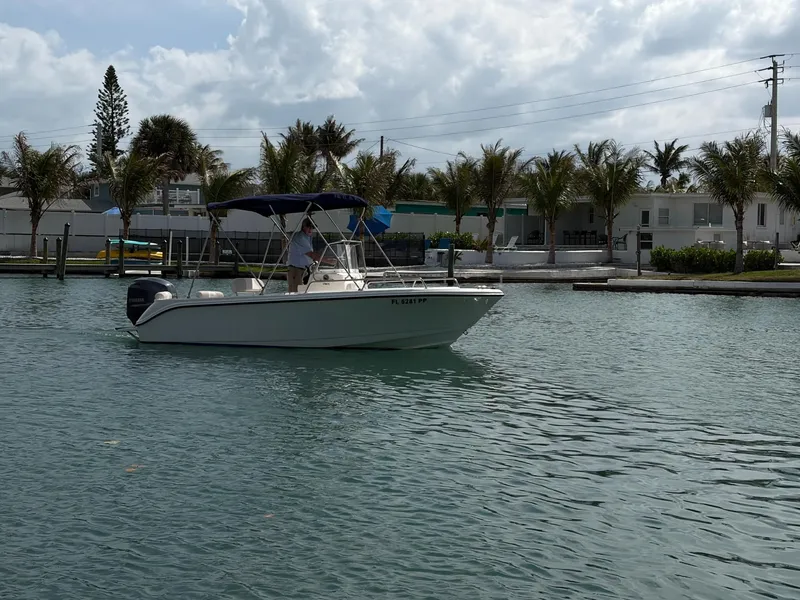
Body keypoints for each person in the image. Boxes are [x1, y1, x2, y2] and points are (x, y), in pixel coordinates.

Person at [286, 218, 334, 292]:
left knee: (305, 291)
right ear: (303, 227)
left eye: (312, 227)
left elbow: (312, 254)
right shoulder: (300, 238)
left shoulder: (307, 237)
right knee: (296, 293)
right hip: (296, 270)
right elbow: (311, 254)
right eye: (308, 227)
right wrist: (329, 261)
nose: (310, 229)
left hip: (305, 270)